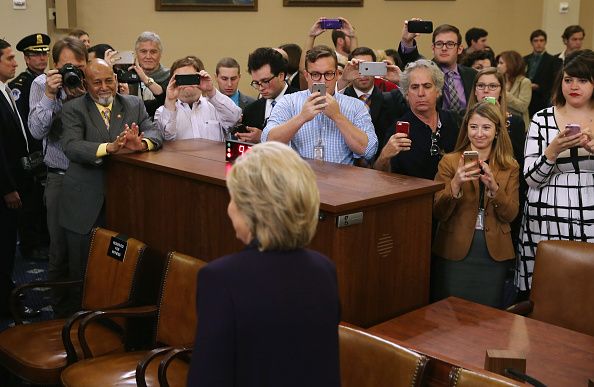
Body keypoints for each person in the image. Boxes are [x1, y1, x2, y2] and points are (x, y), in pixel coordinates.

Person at [187, 141, 340, 387]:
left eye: (233, 198)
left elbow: (207, 378)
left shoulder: (220, 279)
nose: (229, 208)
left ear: (252, 210)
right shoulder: (324, 270)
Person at [59, 59, 163, 311]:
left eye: (109, 80)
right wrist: (110, 148)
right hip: (85, 201)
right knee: (83, 268)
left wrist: (143, 144)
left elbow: (155, 132)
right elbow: (71, 145)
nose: (105, 87)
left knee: (122, 263)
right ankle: (76, 320)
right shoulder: (74, 109)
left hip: (125, 200)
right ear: (85, 84)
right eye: (97, 82)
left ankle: (117, 318)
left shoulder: (133, 104)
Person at [517, 49, 594, 295]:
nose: (574, 86)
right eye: (568, 79)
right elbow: (531, 178)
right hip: (545, 222)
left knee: (584, 295)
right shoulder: (542, 119)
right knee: (546, 294)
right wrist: (552, 151)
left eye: (582, 80)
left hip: (590, 222)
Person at [432, 101, 519, 308]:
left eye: (486, 127)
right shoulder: (450, 162)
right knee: (449, 314)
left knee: (488, 318)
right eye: (473, 127)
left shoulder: (509, 166)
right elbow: (437, 211)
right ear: (466, 129)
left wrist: (494, 188)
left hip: (493, 252)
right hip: (455, 247)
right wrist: (455, 184)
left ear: (497, 131)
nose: (479, 133)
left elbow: (511, 214)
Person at [28, 37, 88, 317]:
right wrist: (52, 97)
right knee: (60, 249)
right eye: (67, 66)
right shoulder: (42, 85)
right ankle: (60, 312)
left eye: (78, 65)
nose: (73, 72)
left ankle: (88, 307)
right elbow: (37, 131)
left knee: (89, 248)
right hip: (61, 177)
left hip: (93, 176)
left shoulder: (93, 85)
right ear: (55, 66)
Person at [262, 45, 377, 165]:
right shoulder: (289, 102)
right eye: (315, 74)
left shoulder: (355, 106)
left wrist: (337, 116)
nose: (322, 81)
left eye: (328, 74)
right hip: (301, 177)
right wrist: (302, 117)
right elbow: (267, 142)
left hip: (341, 180)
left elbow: (369, 150)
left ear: (337, 74)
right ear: (306, 76)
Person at [466, 67, 526, 251]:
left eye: (492, 86)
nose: (486, 90)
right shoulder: (463, 117)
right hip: (469, 189)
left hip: (502, 189)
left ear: (501, 91)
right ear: (475, 90)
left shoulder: (513, 122)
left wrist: (499, 122)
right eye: (481, 85)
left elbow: (517, 161)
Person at [374, 59, 460, 180]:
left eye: (427, 86)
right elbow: (380, 177)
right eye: (414, 87)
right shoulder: (397, 130)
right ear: (407, 94)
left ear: (438, 90)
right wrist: (384, 156)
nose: (421, 93)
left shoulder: (453, 121)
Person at [0, 39, 35, 318]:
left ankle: (7, 291)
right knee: (4, 244)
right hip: (4, 187)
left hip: (16, 177)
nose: (15, 62)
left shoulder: (4, 90)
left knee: (9, 243)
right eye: (10, 58)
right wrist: (8, 188)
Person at [9, 33, 51, 262]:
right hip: (31, 150)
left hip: (48, 149)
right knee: (31, 202)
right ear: (26, 58)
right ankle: (30, 245)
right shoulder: (20, 85)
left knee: (45, 202)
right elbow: (22, 121)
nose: (41, 58)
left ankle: (44, 241)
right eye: (36, 54)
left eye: (44, 53)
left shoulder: (50, 80)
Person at [339, 46, 406, 158]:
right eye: (358, 68)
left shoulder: (391, 99)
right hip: (347, 164)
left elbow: (420, 107)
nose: (363, 74)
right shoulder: (341, 97)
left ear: (376, 68)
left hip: (383, 165)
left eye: (368, 68)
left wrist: (402, 80)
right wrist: (344, 79)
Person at [155, 56, 241, 141]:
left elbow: (235, 118)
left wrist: (211, 91)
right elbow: (166, 138)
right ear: (173, 81)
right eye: (182, 79)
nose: (187, 83)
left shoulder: (216, 106)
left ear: (200, 78)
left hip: (214, 155)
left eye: (191, 78)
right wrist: (170, 101)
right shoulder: (162, 112)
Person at [398, 21, 477, 114]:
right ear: (433, 48)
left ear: (459, 49)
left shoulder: (472, 75)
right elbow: (410, 59)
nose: (444, 48)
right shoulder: (425, 71)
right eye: (439, 44)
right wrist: (407, 42)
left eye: (450, 44)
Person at [241, 47, 298, 144]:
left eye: (265, 81)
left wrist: (263, 137)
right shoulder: (250, 111)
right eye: (256, 83)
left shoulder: (300, 103)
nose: (260, 88)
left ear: (281, 76)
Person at [128, 31, 170, 118]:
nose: (148, 56)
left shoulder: (170, 76)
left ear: (160, 54)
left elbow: (166, 104)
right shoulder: (127, 76)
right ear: (136, 53)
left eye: (153, 52)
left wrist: (144, 78)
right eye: (143, 51)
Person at [524, 29, 562, 116]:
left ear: (545, 42)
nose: (539, 43)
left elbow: (554, 81)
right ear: (531, 43)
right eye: (536, 41)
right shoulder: (525, 59)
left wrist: (539, 87)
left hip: (543, 99)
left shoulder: (553, 60)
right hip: (526, 98)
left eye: (541, 40)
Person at [497, 50, 532, 128]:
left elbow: (523, 107)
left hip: (517, 125)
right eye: (498, 63)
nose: (498, 66)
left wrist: (504, 94)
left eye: (501, 63)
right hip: (500, 123)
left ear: (511, 64)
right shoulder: (499, 81)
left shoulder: (524, 82)